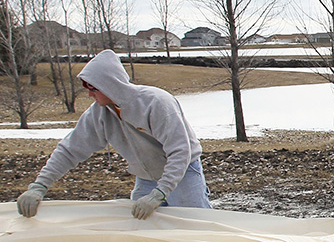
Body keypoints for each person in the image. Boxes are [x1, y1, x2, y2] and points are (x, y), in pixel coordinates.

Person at [16, 49, 212, 220]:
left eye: (93, 88)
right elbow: (69, 150)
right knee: (141, 226)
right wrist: (39, 186)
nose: (89, 94)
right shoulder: (98, 114)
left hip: (183, 172)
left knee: (196, 223)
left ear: (110, 84)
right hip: (146, 176)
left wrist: (160, 193)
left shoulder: (156, 103)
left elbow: (180, 151)